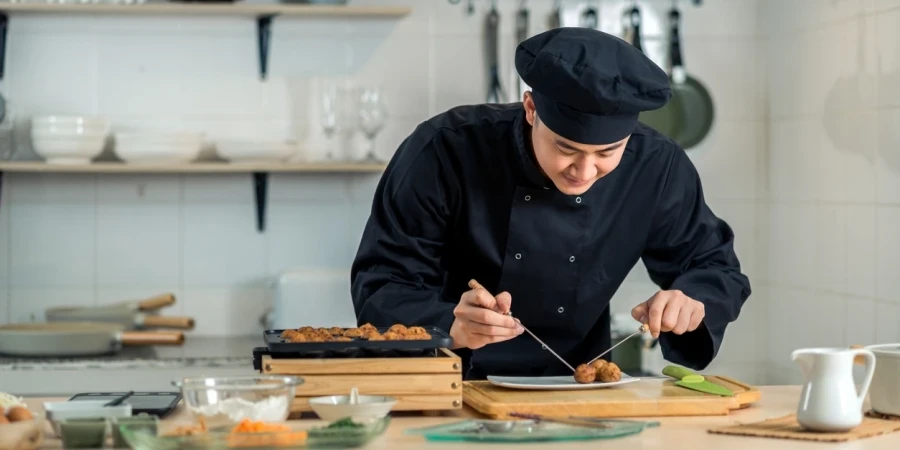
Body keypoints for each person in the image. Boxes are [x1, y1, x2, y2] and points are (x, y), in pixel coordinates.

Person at [349, 27, 751, 380]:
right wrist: (448, 324)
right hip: (448, 380)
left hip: (578, 387)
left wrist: (691, 300)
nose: (585, 171)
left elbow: (714, 267)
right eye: (566, 148)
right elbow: (382, 283)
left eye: (607, 153)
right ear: (530, 109)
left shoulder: (656, 166)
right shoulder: (444, 150)